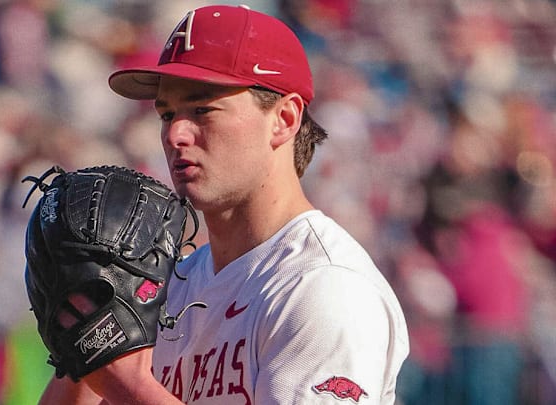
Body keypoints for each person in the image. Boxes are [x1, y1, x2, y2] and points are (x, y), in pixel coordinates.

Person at [39, 4, 409, 404]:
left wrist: (129, 385)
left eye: (202, 110)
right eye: (167, 114)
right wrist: (82, 340)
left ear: (284, 118)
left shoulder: (322, 287)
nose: (175, 134)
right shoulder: (169, 285)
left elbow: (127, 385)